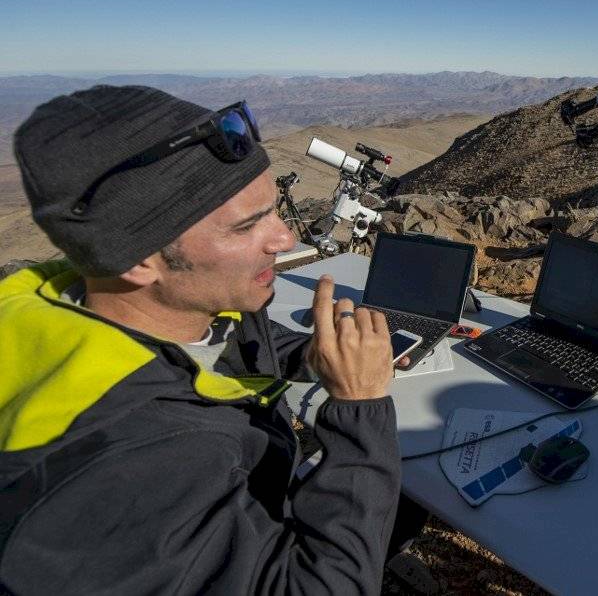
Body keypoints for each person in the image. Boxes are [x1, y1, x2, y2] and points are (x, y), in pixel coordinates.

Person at [0, 85, 409, 594]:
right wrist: (360, 403)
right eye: (247, 226)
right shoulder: (131, 466)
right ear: (137, 260)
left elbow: (235, 344)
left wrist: (314, 352)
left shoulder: (135, 300)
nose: (286, 239)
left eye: (274, 210)